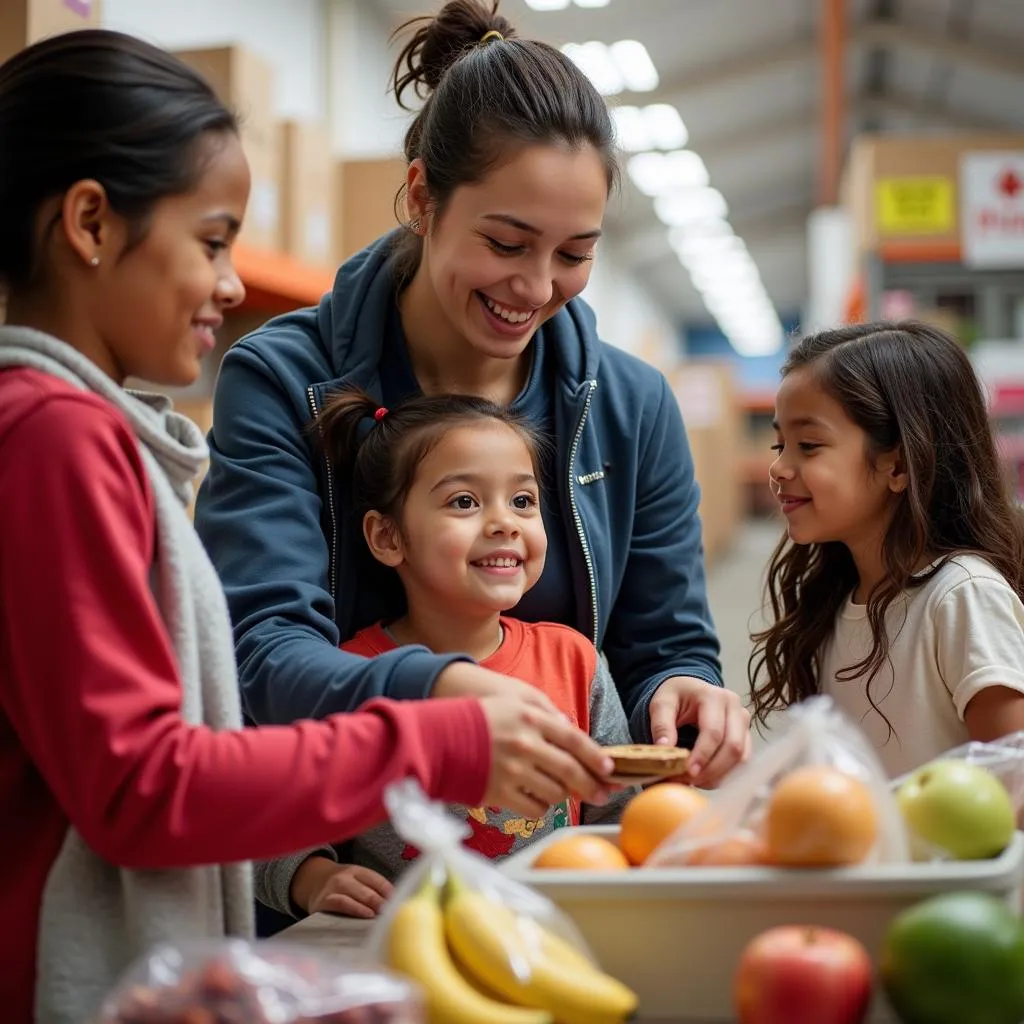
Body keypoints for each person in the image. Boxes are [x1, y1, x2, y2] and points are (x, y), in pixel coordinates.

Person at [0, 30, 615, 1023]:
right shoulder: (54, 439)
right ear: (89, 224)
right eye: (210, 240)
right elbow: (145, 782)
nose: (232, 283)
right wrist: (435, 740)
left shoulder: (83, 435)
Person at [194, 0, 751, 788]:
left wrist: (681, 692)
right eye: (506, 243)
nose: (535, 286)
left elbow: (664, 644)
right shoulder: (286, 381)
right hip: (352, 858)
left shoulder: (632, 407)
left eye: (574, 253)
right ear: (421, 199)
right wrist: (441, 695)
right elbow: (262, 653)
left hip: (564, 857)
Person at [257, 388, 635, 920]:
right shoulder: (346, 677)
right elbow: (265, 819)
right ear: (388, 537)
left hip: (556, 933)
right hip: (399, 946)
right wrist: (311, 876)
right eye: (464, 501)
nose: (505, 522)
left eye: (523, 501)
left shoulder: (574, 659)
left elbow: (619, 813)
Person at [750, 321, 1024, 777]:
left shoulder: (962, 597)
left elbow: (1015, 793)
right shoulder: (836, 600)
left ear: (897, 463)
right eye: (780, 444)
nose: (778, 467)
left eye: (808, 446)